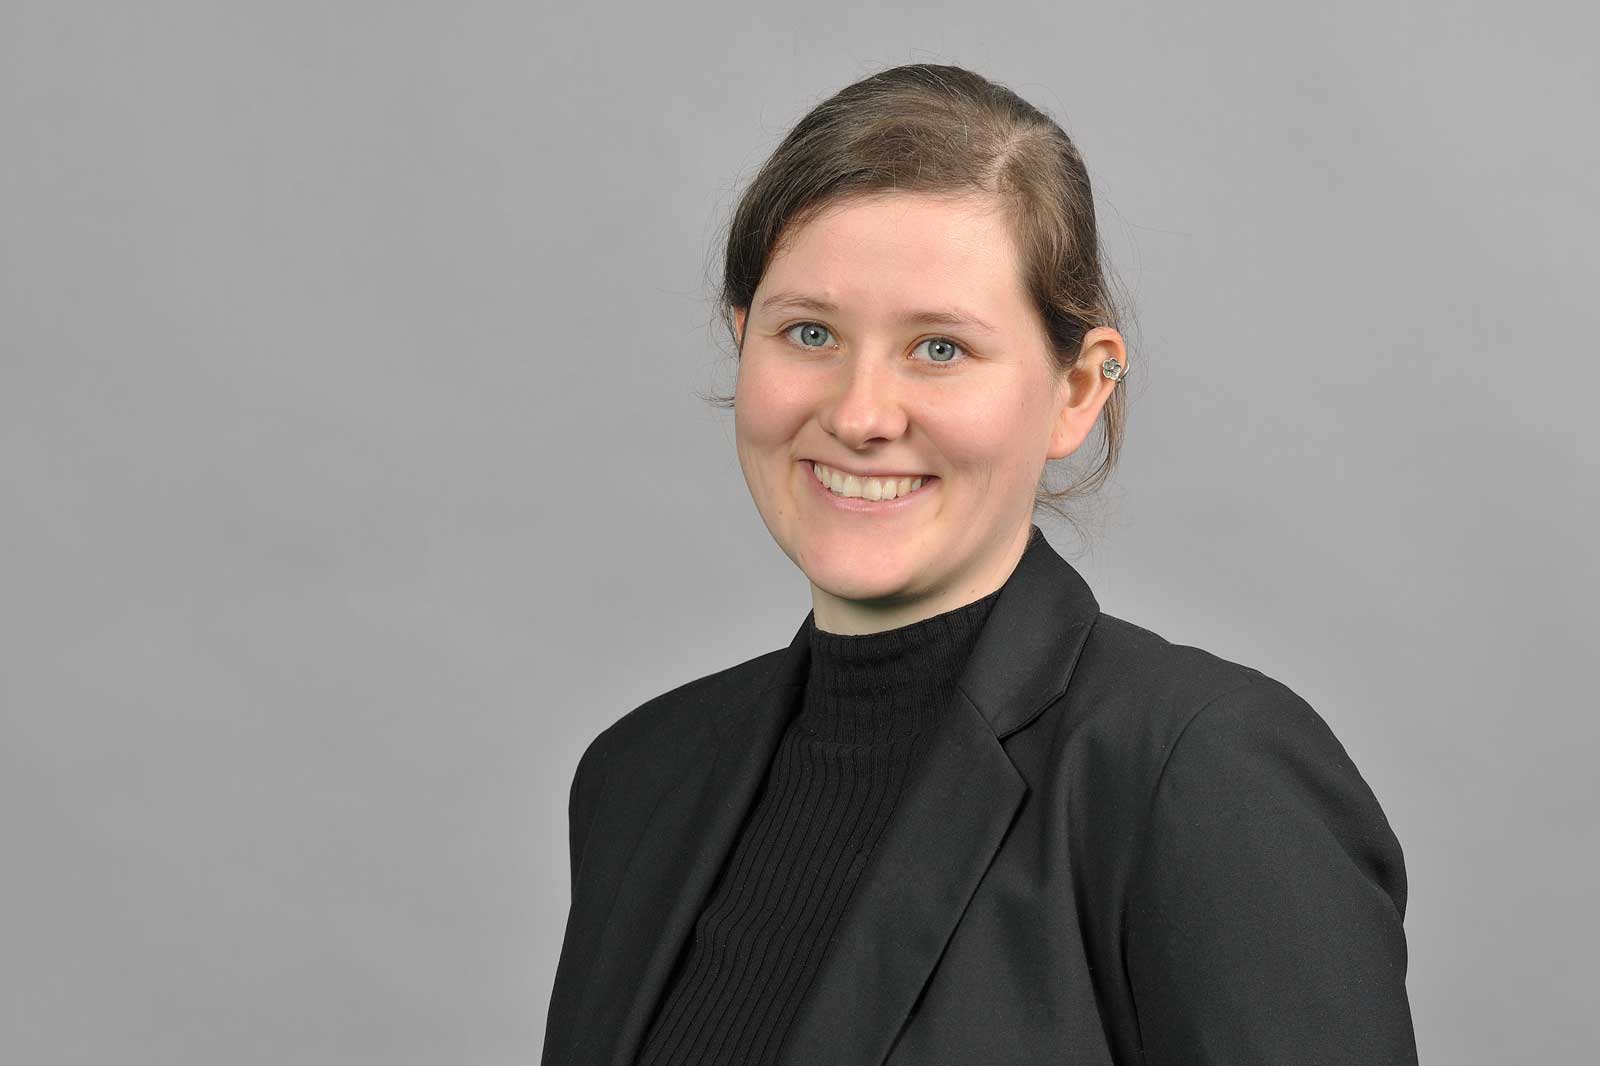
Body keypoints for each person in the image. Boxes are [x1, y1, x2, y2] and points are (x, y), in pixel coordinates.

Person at [541, 63, 1417, 1066]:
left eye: (940, 349)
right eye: (810, 333)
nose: (860, 413)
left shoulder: (1200, 777)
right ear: (743, 347)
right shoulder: (638, 776)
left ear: (1078, 390)